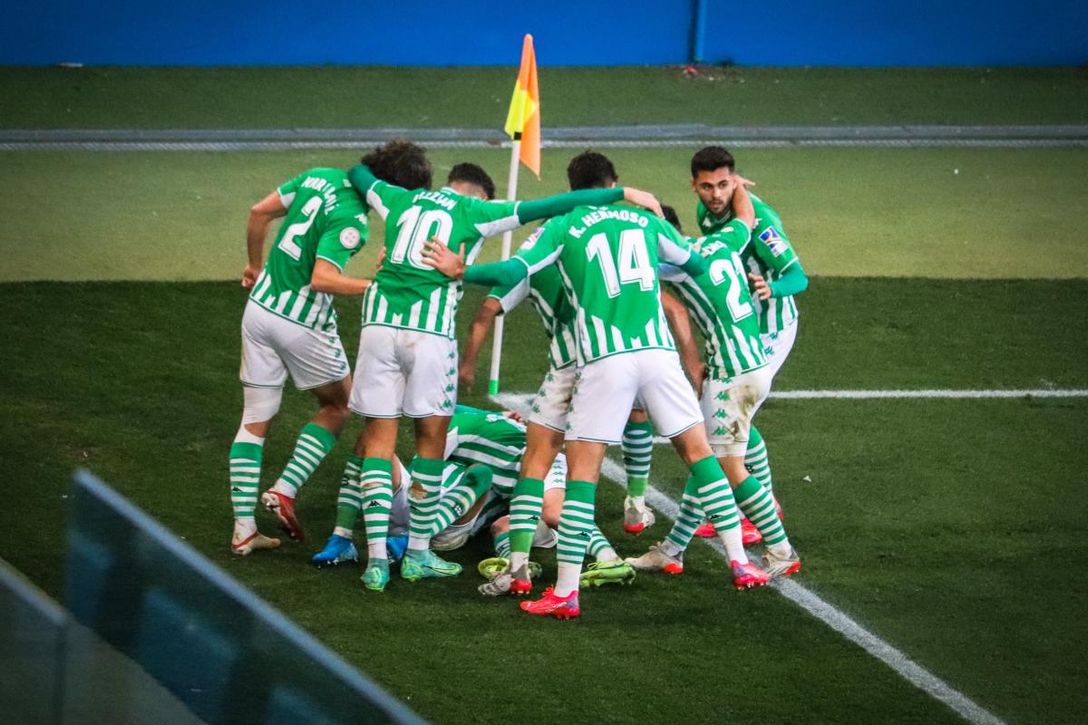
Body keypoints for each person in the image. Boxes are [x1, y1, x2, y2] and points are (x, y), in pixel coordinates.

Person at [427, 150, 769, 619]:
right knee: (699, 454)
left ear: (574, 190)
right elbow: (694, 264)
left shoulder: (562, 226)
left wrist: (460, 269)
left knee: (577, 473)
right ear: (614, 183)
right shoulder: (644, 221)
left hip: (600, 361)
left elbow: (511, 274)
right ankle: (740, 562)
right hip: (658, 354)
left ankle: (562, 589)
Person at [343, 142, 663, 593]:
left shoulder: (398, 198)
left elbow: (358, 174)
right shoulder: (476, 211)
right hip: (430, 333)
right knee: (430, 441)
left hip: (377, 326)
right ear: (478, 194)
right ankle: (416, 554)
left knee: (378, 440)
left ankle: (375, 561)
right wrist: (622, 194)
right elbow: (551, 205)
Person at [626, 196, 802, 578]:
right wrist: (737, 187)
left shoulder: (675, 262)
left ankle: (781, 550)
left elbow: (642, 279)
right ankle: (673, 549)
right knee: (705, 457)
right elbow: (746, 216)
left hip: (731, 375)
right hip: (752, 364)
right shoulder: (722, 241)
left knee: (730, 469)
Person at [228, 163, 377, 556]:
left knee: (254, 419)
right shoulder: (353, 218)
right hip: (301, 322)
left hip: (260, 308)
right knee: (340, 405)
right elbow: (322, 279)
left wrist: (254, 266)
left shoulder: (320, 176)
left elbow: (259, 212)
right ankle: (285, 488)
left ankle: (244, 530)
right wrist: (374, 287)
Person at [689, 146, 809, 540]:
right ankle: (758, 504)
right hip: (741, 327)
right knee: (729, 416)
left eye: (724, 185)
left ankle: (757, 510)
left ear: (734, 181)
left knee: (732, 413)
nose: (715, 194)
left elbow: (798, 277)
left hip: (771, 329)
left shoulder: (762, 223)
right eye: (707, 186)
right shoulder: (705, 214)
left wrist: (771, 288)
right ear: (694, 186)